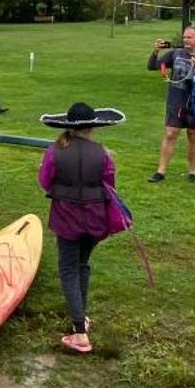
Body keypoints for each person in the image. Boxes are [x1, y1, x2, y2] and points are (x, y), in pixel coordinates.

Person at [37, 102, 131, 354]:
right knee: (82, 265)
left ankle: (79, 333)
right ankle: (81, 318)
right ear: (92, 127)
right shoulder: (103, 154)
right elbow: (110, 184)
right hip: (95, 219)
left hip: (67, 219)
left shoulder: (54, 151)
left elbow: (45, 182)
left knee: (69, 269)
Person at [146, 26, 195, 182]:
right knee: (170, 134)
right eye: (184, 37)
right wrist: (155, 52)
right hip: (176, 100)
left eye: (189, 37)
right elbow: (152, 66)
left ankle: (193, 173)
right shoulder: (176, 54)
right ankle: (160, 172)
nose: (185, 40)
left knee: (194, 136)